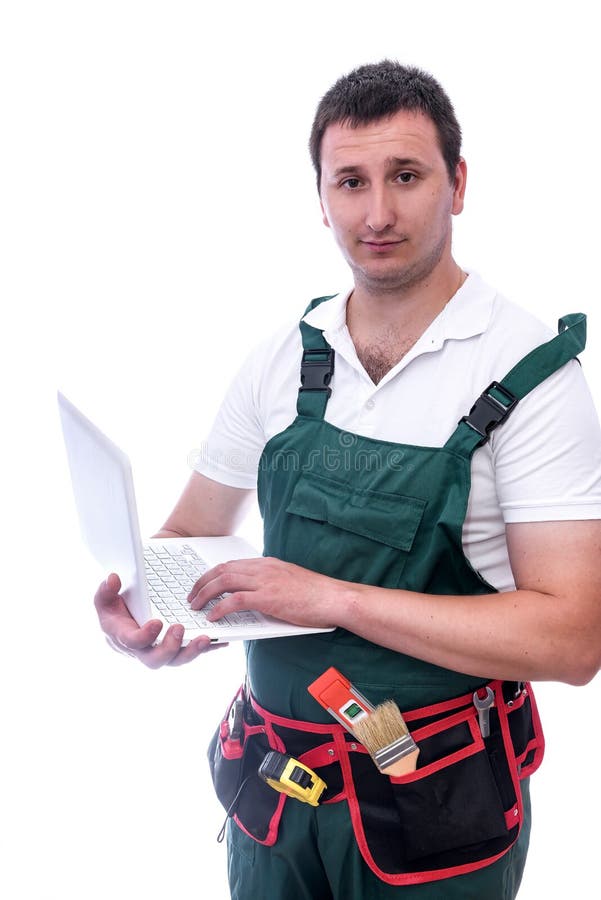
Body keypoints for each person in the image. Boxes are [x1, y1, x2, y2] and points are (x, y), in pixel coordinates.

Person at [95, 61, 601, 898]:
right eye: (350, 182)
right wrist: (154, 606)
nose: (377, 213)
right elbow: (187, 530)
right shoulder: (284, 356)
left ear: (457, 184)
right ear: (319, 197)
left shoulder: (530, 375)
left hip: (435, 812)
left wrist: (329, 597)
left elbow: (573, 641)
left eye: (405, 176)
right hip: (273, 795)